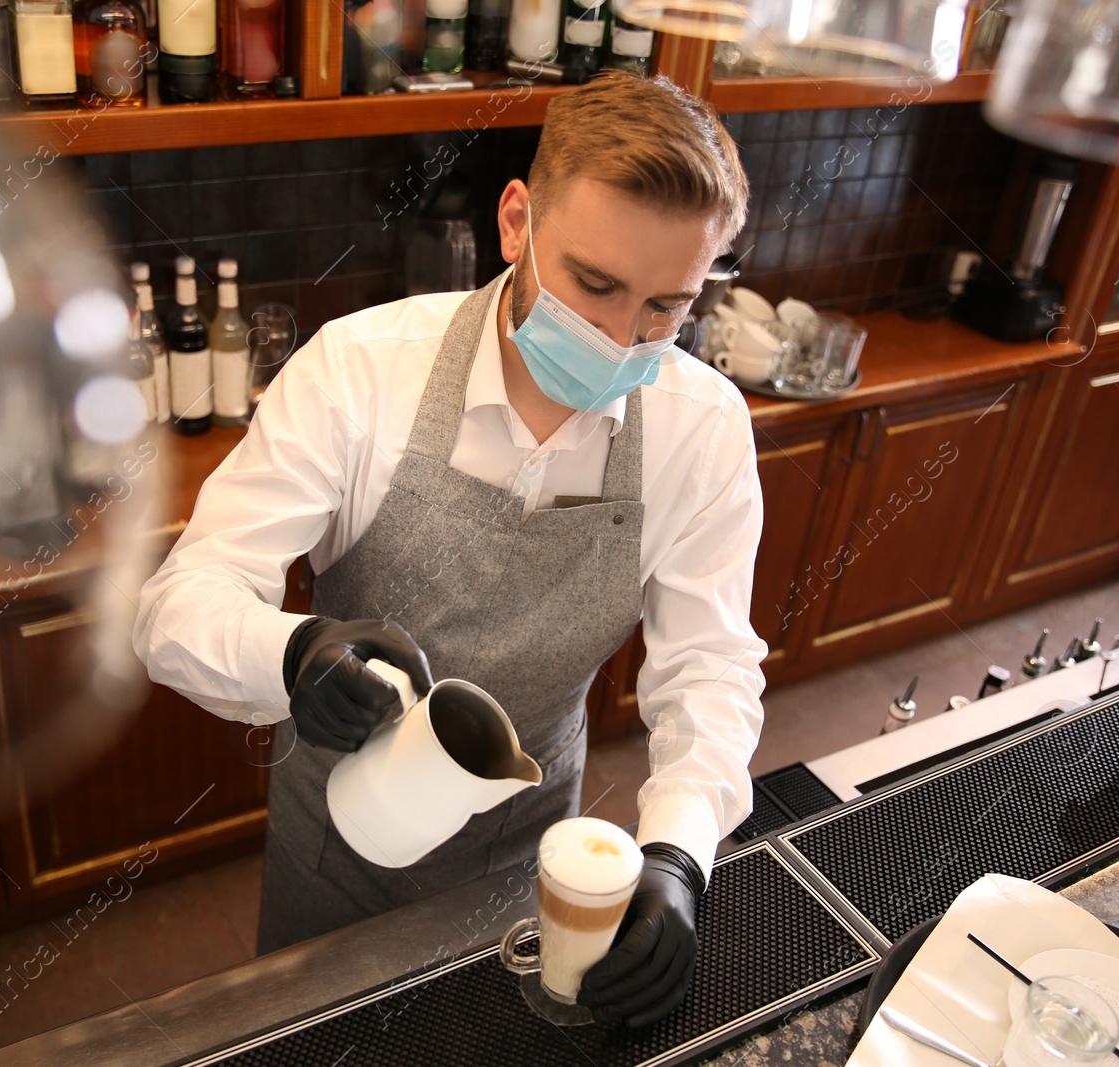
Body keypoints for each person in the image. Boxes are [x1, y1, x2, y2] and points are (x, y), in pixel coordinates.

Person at [134, 71, 766, 1028]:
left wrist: (678, 853)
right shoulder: (359, 371)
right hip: (335, 853)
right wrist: (295, 653)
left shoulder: (702, 426)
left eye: (665, 309)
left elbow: (711, 669)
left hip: (531, 860)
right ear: (516, 223)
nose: (617, 339)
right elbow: (179, 603)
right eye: (593, 284)